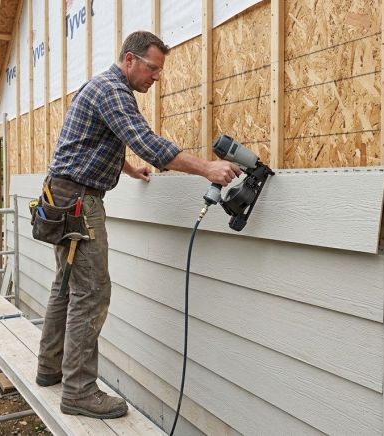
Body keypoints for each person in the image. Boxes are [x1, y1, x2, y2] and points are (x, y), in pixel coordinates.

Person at [36, 30, 241, 419]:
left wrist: (126, 168)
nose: (157, 76)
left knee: (67, 286)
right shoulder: (114, 91)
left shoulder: (97, 87)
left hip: (61, 196)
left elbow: (89, 141)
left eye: (159, 69)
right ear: (129, 60)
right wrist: (207, 168)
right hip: (78, 202)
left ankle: (50, 369)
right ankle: (78, 391)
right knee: (91, 293)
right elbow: (146, 141)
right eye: (153, 67)